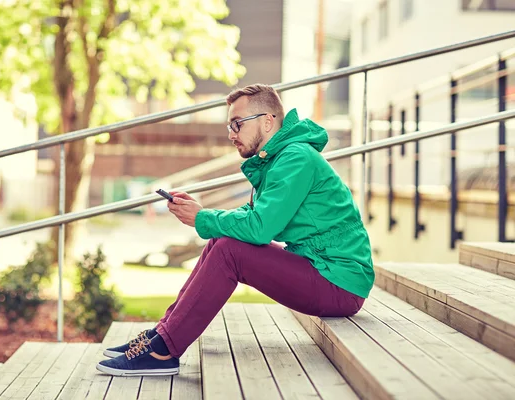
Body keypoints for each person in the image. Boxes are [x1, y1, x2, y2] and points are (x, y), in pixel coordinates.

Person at [96, 84, 375, 377]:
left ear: (268, 121)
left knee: (230, 252)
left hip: (339, 282)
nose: (231, 134)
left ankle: (164, 350)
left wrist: (202, 218)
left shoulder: (296, 158)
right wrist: (205, 214)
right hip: (322, 269)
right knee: (223, 240)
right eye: (230, 125)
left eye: (237, 124)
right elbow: (252, 216)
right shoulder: (281, 157)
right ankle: (161, 335)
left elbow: (260, 228)